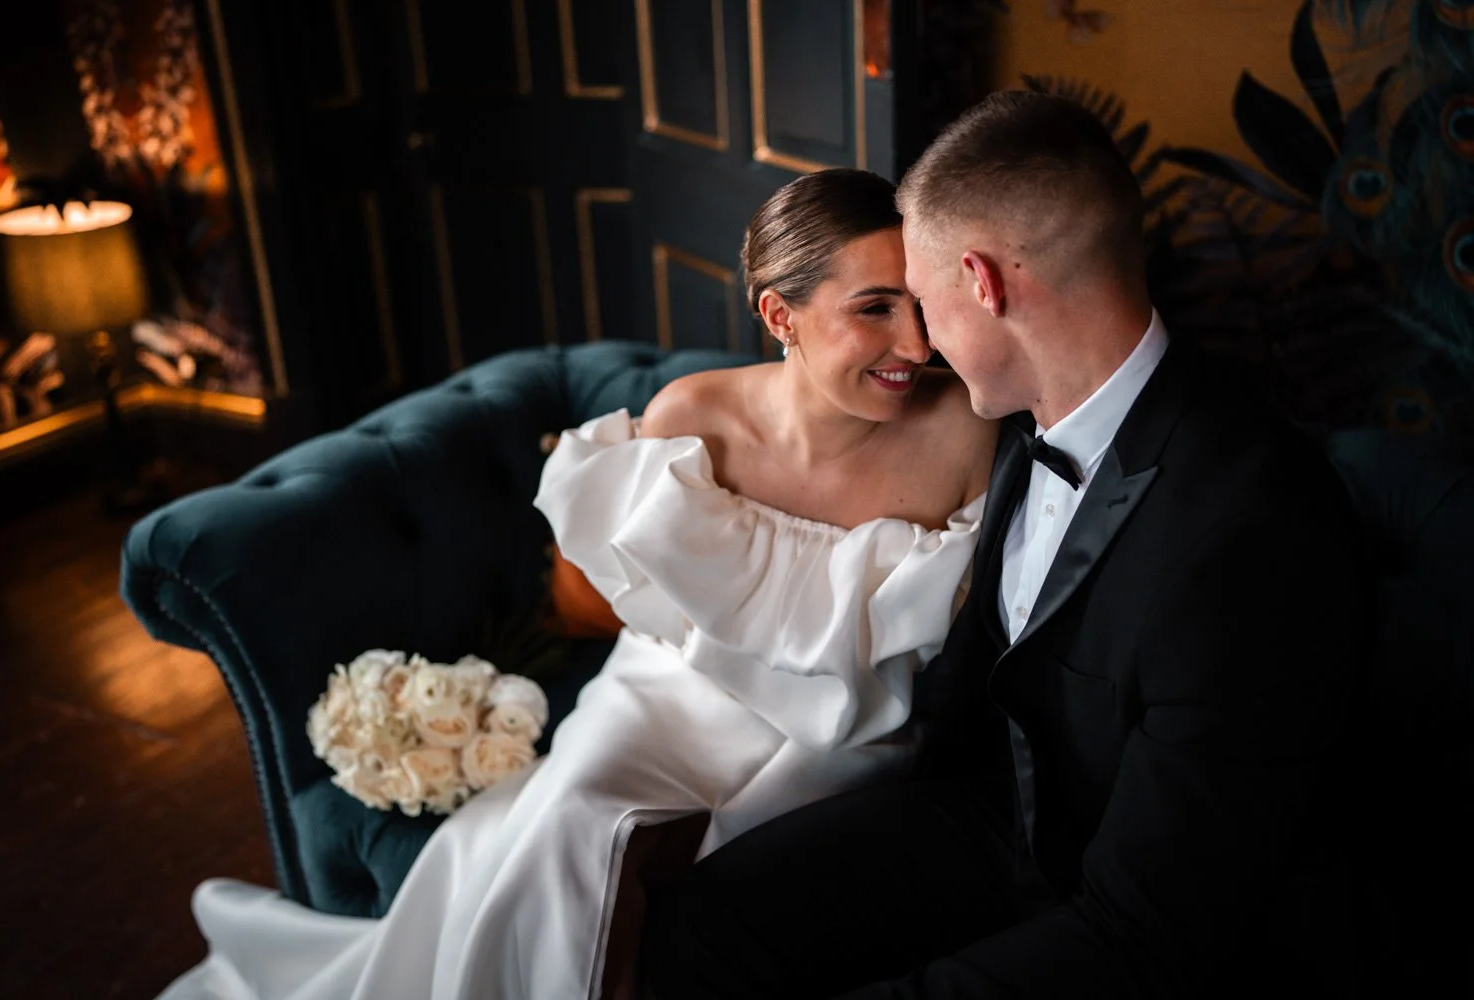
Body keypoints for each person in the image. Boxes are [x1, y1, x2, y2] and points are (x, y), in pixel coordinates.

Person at [153, 167, 1000, 1000]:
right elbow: (649, 607)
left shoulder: (966, 432)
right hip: (674, 690)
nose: (917, 346)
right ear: (781, 314)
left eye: (920, 305)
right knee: (572, 829)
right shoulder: (690, 419)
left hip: (840, 732)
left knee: (724, 877)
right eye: (875, 308)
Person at [639, 91, 1367, 999]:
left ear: (981, 283)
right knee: (698, 929)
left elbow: (1153, 930)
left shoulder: (1252, 532)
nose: (922, 340)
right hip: (988, 822)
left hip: (1132, 913)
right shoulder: (1016, 422)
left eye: (925, 299)